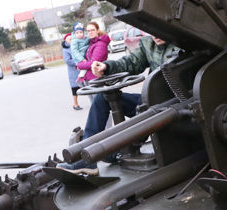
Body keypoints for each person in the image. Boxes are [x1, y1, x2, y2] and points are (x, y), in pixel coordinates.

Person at [58, 33, 182, 174]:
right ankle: (86, 160)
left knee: (143, 104)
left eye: (157, 29)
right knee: (102, 98)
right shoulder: (148, 44)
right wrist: (106, 66)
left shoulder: (183, 44)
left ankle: (122, 146)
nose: (154, 34)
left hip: (174, 102)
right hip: (150, 99)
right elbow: (130, 62)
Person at [61, 32, 82, 111]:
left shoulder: (76, 46)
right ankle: (75, 104)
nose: (71, 40)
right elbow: (67, 60)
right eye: (69, 39)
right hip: (73, 71)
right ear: (66, 41)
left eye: (72, 38)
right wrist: (77, 62)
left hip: (81, 69)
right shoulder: (65, 49)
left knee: (86, 85)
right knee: (75, 88)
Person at [70, 22, 90, 86]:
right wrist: (81, 59)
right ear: (74, 33)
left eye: (81, 32)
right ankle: (80, 77)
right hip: (78, 58)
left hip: (83, 55)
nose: (79, 34)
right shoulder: (74, 41)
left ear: (83, 32)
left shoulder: (86, 38)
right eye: (77, 33)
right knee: (85, 66)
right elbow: (74, 51)